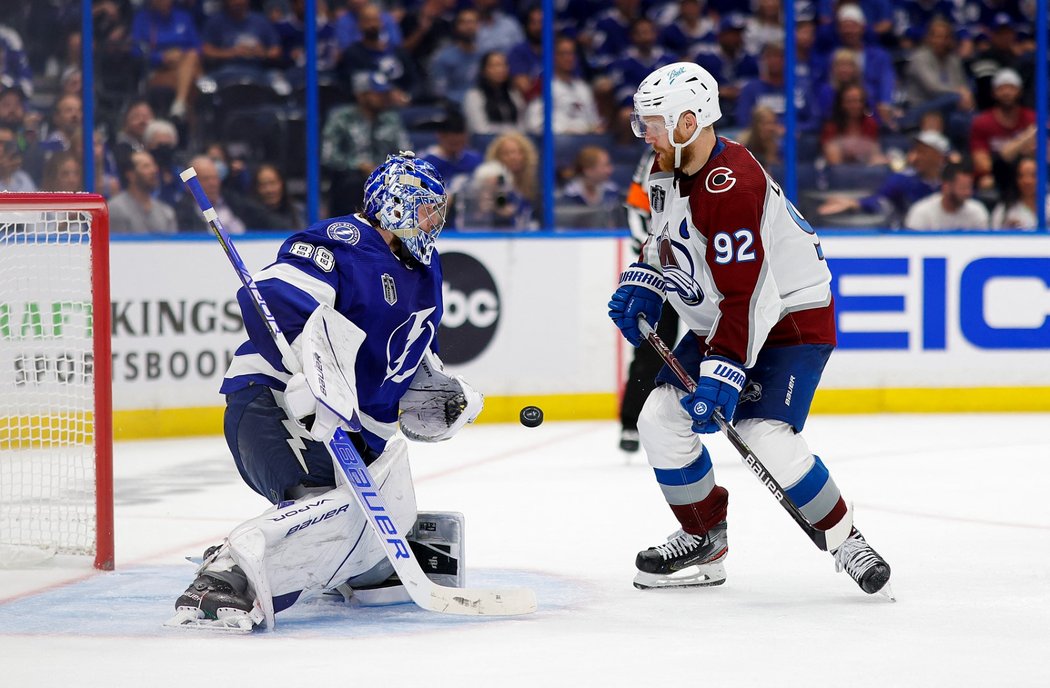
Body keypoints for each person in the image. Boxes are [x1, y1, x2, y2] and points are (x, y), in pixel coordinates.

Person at [608, 62, 891, 596]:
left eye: (653, 121)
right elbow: (665, 241)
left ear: (689, 121)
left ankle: (845, 536)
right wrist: (645, 280)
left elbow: (750, 295)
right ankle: (704, 538)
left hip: (789, 318)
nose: (644, 132)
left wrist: (724, 371)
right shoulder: (664, 165)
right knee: (659, 418)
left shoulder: (731, 187)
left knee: (765, 433)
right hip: (728, 315)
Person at [168, 153, 483, 631]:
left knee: (367, 543)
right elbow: (270, 301)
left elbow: (412, 353)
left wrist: (437, 390)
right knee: (323, 509)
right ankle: (227, 574)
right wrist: (306, 377)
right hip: (274, 402)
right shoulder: (341, 243)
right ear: (398, 205)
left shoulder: (425, 268)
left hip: (349, 432)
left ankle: (342, 561)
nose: (436, 220)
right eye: (427, 209)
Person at [617, 148, 679, 452]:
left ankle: (742, 414)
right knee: (652, 345)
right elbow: (637, 209)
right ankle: (632, 419)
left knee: (724, 338)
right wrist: (653, 263)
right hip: (662, 270)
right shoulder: (654, 156)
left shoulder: (712, 150)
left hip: (704, 271)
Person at [321, 71, 409, 216]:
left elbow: (406, 153)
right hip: (350, 180)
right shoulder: (341, 118)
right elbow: (328, 155)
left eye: (384, 93)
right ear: (361, 95)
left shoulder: (391, 119)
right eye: (376, 93)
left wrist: (382, 170)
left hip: (387, 179)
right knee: (351, 183)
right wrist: (358, 165)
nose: (383, 97)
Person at [108, 150, 178, 234]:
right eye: (146, 166)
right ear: (130, 175)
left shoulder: (166, 212)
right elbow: (116, 244)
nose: (154, 170)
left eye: (153, 165)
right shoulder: (115, 209)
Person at [903, 163, 990, 230]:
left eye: (969, 187)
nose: (968, 192)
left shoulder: (977, 211)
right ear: (946, 187)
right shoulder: (922, 212)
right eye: (963, 188)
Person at [462, 51, 525, 135]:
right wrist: (509, 132)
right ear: (484, 70)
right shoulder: (474, 95)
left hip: (514, 140)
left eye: (504, 65)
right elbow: (480, 129)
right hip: (486, 141)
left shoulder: (513, 94)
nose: (501, 69)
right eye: (495, 66)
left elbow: (522, 124)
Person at [990, 157, 1049, 230]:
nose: (1027, 181)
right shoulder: (1004, 209)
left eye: (1033, 175)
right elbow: (994, 237)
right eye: (1021, 176)